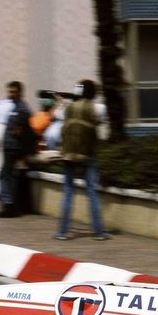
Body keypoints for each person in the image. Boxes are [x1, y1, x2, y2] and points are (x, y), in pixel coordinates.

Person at [55, 79, 110, 240]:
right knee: (92, 191)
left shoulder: (68, 107)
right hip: (88, 154)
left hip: (68, 154)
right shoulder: (99, 107)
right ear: (94, 93)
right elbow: (100, 121)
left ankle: (62, 232)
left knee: (68, 192)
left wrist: (63, 102)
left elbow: (58, 116)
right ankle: (98, 232)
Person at [0, 80, 35, 217]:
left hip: (13, 147)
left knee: (5, 176)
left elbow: (19, 130)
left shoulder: (22, 109)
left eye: (13, 92)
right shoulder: (15, 106)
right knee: (9, 176)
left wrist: (14, 131)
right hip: (10, 146)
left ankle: (8, 204)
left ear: (19, 92)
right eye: (9, 91)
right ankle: (10, 205)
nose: (10, 94)